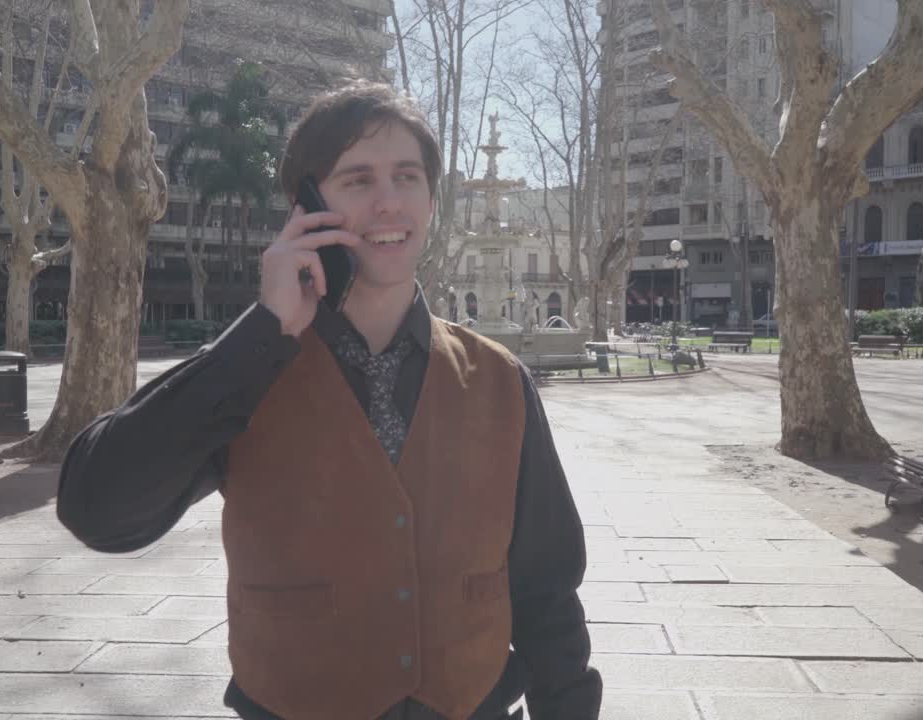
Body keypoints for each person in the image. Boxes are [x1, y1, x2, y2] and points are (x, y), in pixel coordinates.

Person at [57, 80, 601, 720]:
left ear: (431, 200)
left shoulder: (499, 379)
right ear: (306, 207)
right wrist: (261, 332)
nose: (388, 203)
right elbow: (98, 510)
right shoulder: (250, 372)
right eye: (357, 180)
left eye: (407, 177)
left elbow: (548, 590)